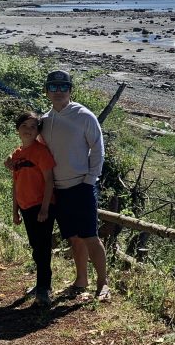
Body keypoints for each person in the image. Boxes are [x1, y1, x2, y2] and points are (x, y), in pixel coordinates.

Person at [40, 70, 110, 301]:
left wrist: (90, 179)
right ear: (47, 91)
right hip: (59, 188)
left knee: (90, 236)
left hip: (82, 185)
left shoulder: (84, 116)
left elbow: (98, 148)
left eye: (63, 87)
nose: (58, 92)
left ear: (70, 90)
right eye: (53, 87)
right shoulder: (44, 120)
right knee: (73, 237)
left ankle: (103, 283)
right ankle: (81, 281)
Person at [9, 111, 56, 307]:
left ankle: (44, 288)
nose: (28, 130)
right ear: (18, 129)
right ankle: (40, 284)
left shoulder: (41, 152)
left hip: (41, 205)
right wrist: (15, 210)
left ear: (38, 131)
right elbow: (16, 183)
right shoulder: (17, 154)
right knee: (36, 247)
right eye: (24, 126)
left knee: (43, 247)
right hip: (26, 206)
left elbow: (49, 180)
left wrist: (45, 208)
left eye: (33, 127)